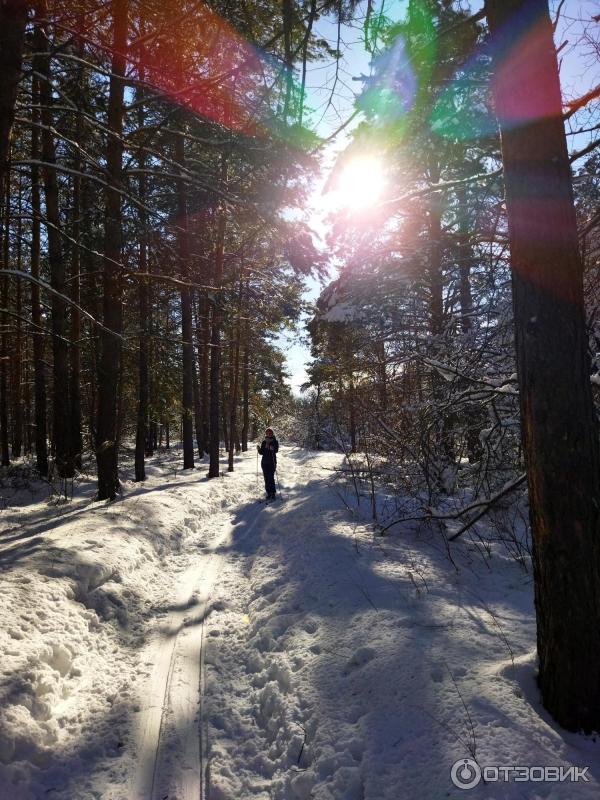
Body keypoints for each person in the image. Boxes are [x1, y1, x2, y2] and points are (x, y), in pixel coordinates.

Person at [258, 427, 279, 500]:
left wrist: (272, 448)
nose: (269, 434)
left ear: (272, 433)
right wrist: (259, 450)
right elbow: (262, 453)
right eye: (267, 433)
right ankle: (268, 493)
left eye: (270, 433)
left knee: (270, 478)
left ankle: (272, 493)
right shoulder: (264, 442)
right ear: (266, 434)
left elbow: (276, 450)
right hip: (264, 463)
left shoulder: (275, 441)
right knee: (266, 479)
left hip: (272, 462)